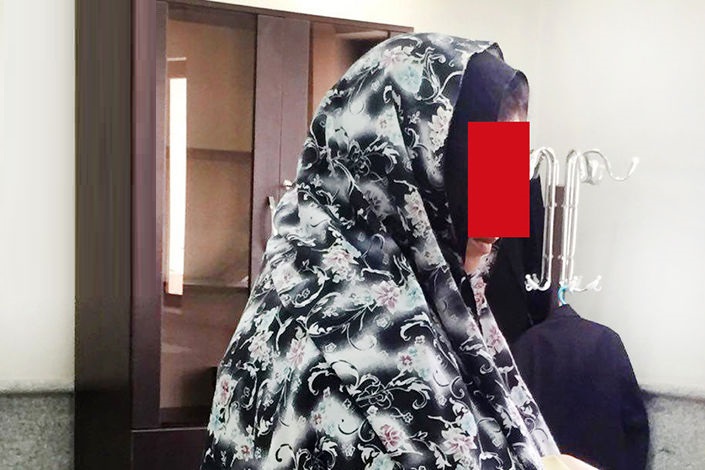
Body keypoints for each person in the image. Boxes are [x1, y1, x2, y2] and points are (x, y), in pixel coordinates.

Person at [200, 32, 593, 470]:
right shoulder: (333, 355)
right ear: (400, 177)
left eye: (510, 169)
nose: (502, 224)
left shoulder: (437, 307)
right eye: (481, 174)